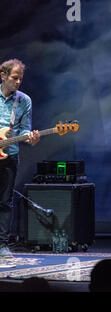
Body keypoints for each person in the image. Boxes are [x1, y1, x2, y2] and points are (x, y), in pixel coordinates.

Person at [0, 59, 40, 257]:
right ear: (3, 76)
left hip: (10, 157)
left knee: (5, 202)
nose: (18, 82)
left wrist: (30, 138)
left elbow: (24, 129)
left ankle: (1, 245)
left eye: (20, 79)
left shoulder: (24, 100)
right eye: (14, 78)